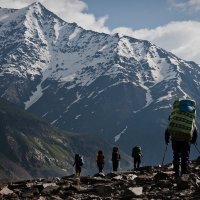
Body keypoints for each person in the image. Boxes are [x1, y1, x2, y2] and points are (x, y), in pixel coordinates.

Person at [165, 98, 198, 177]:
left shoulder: (174, 115)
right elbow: (194, 130)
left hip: (175, 138)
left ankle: (176, 173)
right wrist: (193, 140)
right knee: (185, 156)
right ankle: (184, 174)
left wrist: (167, 139)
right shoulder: (190, 117)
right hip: (186, 139)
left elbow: (169, 128)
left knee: (176, 155)